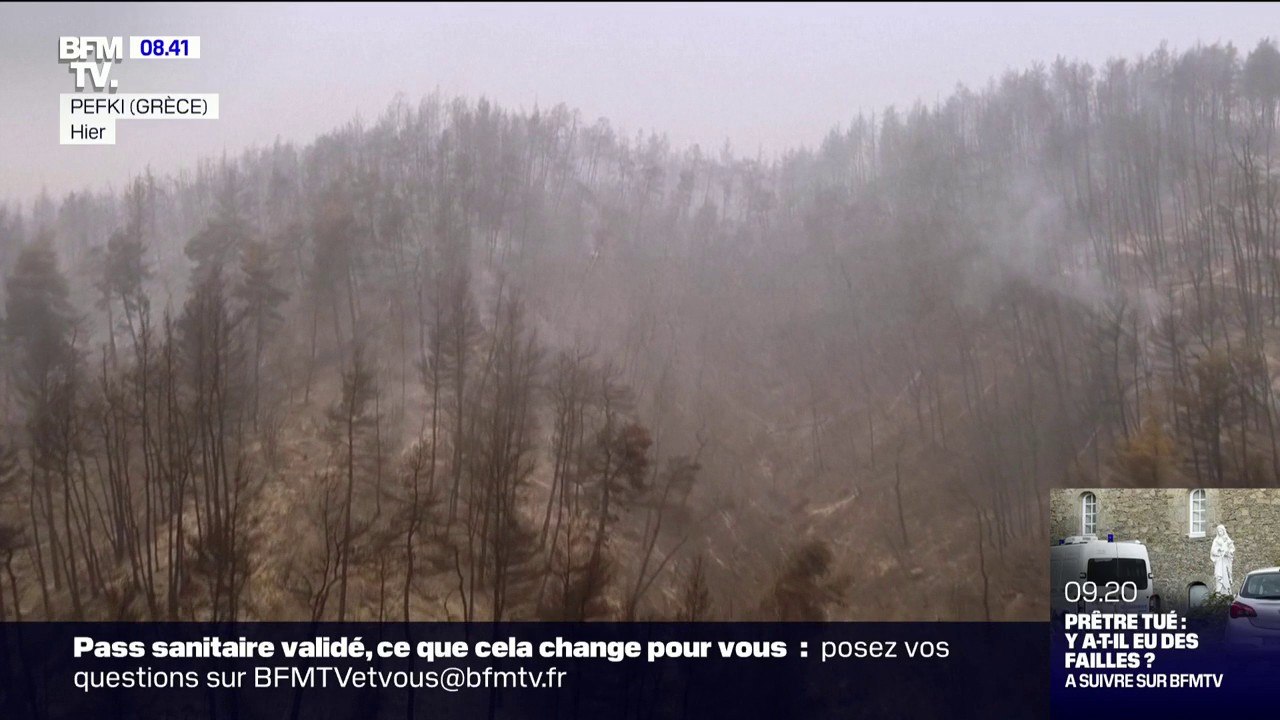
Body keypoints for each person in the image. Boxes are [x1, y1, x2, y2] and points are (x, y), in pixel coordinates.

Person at [1211, 524, 1235, 594]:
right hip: (1219, 560)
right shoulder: (1216, 540)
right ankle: (1219, 591)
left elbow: (1232, 548)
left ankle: (1226, 591)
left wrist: (1228, 552)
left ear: (1224, 531)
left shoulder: (1227, 539)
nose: (1220, 532)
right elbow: (1212, 551)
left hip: (1225, 561)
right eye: (1218, 531)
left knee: (1226, 575)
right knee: (1219, 575)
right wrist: (1218, 550)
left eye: (1221, 531)